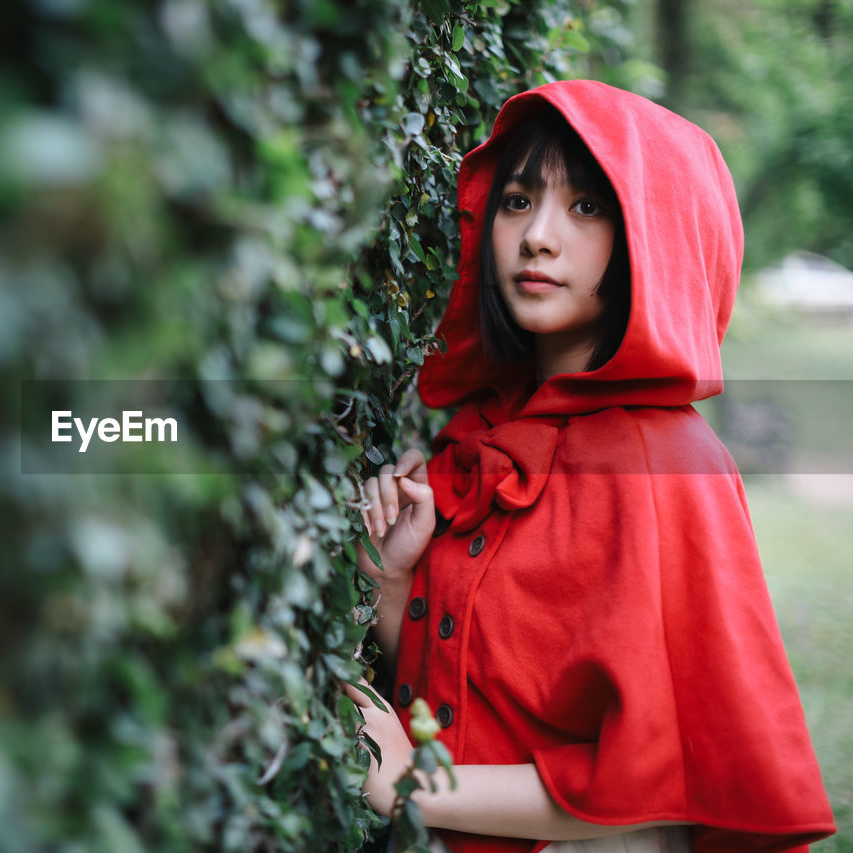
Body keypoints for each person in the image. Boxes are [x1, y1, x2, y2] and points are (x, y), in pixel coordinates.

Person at [342, 80, 836, 853]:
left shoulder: (664, 461)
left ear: (653, 235)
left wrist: (414, 781)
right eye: (516, 201)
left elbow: (645, 788)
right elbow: (479, 704)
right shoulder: (480, 436)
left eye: (586, 207)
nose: (538, 236)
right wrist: (396, 585)